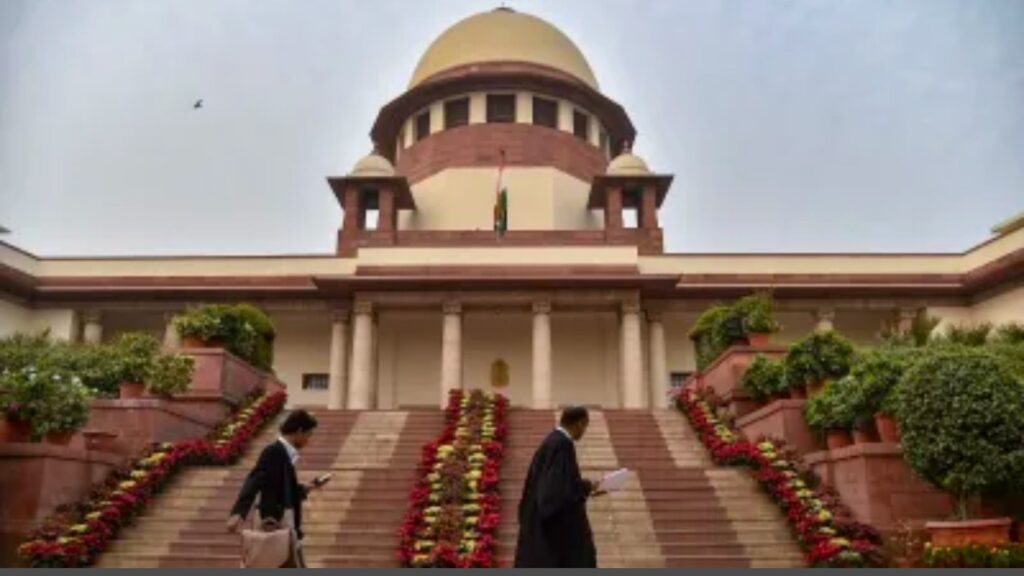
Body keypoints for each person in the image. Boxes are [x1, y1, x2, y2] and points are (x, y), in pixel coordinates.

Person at [226, 409, 323, 567]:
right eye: (308, 435)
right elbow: (255, 479)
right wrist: (239, 512)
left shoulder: (285, 454)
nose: (308, 440)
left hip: (284, 526)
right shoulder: (273, 451)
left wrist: (303, 489)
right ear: (299, 431)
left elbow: (282, 488)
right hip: (274, 524)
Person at [514, 405, 603, 568]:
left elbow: (559, 484)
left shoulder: (552, 441)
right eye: (585, 426)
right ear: (579, 423)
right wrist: (586, 487)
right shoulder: (562, 445)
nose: (584, 432)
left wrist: (586, 488)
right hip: (554, 538)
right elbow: (555, 493)